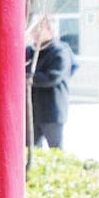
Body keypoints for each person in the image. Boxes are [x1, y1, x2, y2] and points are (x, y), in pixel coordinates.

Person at [26, 16, 75, 149]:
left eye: (39, 29)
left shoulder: (60, 51)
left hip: (52, 110)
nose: (35, 32)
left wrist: (29, 78)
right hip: (33, 110)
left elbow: (53, 77)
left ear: (51, 31)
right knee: (31, 149)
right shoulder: (30, 51)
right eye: (34, 29)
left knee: (55, 149)